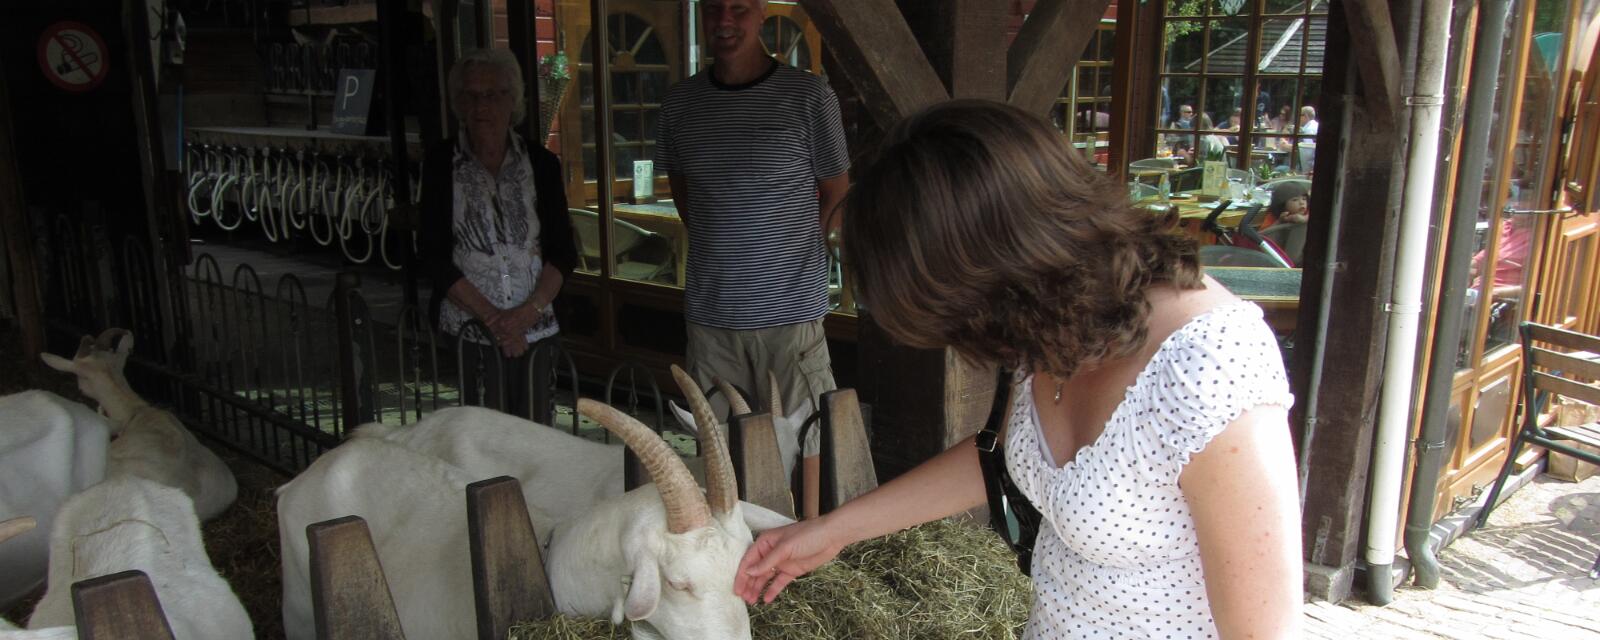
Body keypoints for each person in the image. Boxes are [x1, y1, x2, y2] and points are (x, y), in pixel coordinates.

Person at [733, 100, 1303, 638]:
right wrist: (832, 531)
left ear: (1000, 270)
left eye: (955, 317)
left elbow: (1261, 631)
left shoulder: (1209, 366)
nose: (964, 340)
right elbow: (999, 453)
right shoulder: (1052, 328)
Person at [655, 0, 851, 519]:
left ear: (762, 13)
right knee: (721, 456)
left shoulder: (809, 96)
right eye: (713, 8)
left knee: (809, 446)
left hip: (790, 315)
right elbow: (686, 196)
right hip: (713, 321)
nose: (724, 20)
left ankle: (811, 554)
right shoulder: (679, 104)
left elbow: (836, 191)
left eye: (738, 8)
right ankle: (731, 556)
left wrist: (791, 251)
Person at [421, 48, 577, 417]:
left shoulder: (541, 163)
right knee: (484, 433)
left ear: (513, 100)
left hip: (536, 329)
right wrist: (494, 320)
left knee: (535, 432)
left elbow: (562, 251)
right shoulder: (442, 164)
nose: (482, 106)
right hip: (471, 330)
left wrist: (526, 315)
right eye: (471, 96)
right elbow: (433, 255)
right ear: (459, 103)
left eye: (492, 95)